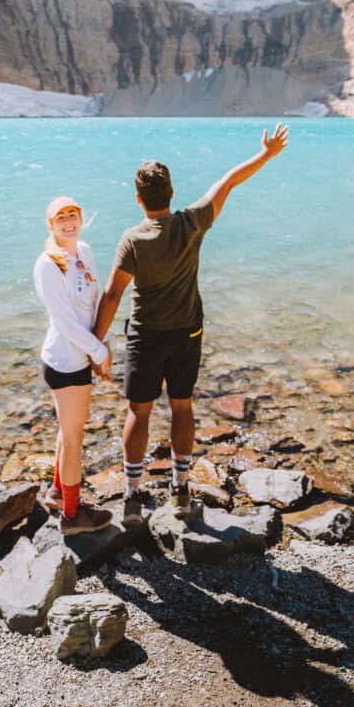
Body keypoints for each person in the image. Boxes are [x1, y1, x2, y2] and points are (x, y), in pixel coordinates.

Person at [94, 124, 289, 524]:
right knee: (182, 406)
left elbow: (112, 295)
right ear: (171, 194)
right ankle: (180, 491)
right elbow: (229, 181)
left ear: (138, 198)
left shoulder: (133, 239)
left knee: (139, 411)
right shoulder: (192, 222)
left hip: (145, 336)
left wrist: (95, 344)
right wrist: (267, 155)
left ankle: (132, 495)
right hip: (187, 333)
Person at [33, 195, 114, 534]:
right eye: (60, 217)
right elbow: (65, 323)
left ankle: (56, 492)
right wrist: (99, 354)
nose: (68, 221)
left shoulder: (84, 250)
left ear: (82, 219)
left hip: (81, 355)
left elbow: (91, 306)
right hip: (65, 362)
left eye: (73, 214)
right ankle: (71, 516)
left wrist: (102, 341)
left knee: (68, 433)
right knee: (74, 439)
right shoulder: (47, 264)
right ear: (50, 225)